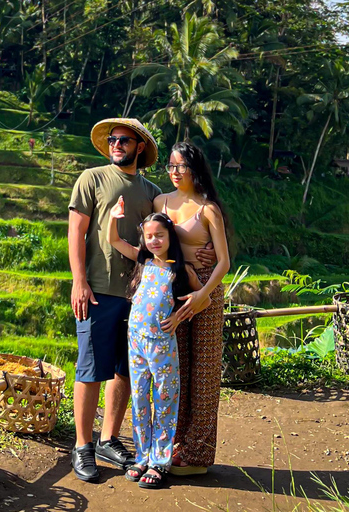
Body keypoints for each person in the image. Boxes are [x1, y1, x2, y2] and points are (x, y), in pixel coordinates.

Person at [68, 118, 161, 483]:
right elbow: (76, 231)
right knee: (90, 367)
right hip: (98, 289)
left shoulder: (151, 192)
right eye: (113, 139)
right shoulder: (92, 179)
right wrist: (79, 281)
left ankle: (108, 439)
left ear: (140, 147)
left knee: (126, 368)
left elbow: (162, 241)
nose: (116, 144)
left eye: (124, 140)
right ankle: (82, 445)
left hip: (139, 295)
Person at [107, 199, 202, 489]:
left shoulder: (181, 271)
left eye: (159, 235)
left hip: (162, 346)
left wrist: (179, 317)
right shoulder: (143, 261)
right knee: (139, 401)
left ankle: (160, 463)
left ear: (170, 236)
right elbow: (113, 239)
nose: (154, 240)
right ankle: (142, 457)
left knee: (163, 402)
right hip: (135, 344)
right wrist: (113, 216)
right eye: (149, 236)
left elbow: (203, 298)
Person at [153, 142, 231, 476]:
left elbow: (224, 262)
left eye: (180, 166)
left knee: (205, 372)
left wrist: (204, 296)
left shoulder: (208, 209)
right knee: (176, 367)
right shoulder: (160, 202)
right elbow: (150, 240)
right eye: (170, 165)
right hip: (172, 291)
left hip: (206, 295)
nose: (174, 171)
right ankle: (175, 443)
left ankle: (197, 454)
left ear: (194, 169)